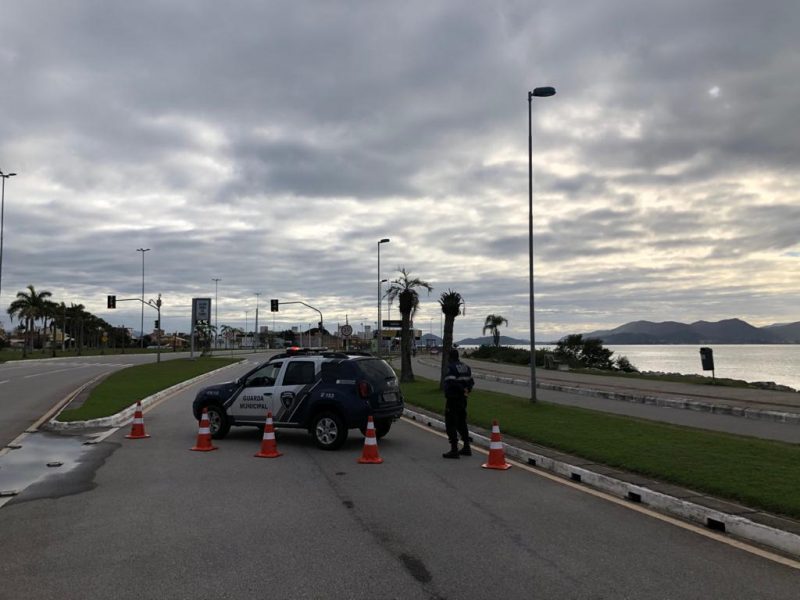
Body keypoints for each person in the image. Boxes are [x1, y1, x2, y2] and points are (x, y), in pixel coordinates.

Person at [442, 348, 474, 459]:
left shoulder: (451, 368)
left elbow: (451, 382)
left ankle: (454, 449)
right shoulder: (466, 367)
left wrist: (460, 390)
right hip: (463, 399)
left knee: (451, 423)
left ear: (450, 357)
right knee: (461, 422)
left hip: (453, 399)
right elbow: (471, 382)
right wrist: (466, 390)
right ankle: (466, 446)